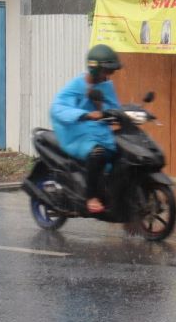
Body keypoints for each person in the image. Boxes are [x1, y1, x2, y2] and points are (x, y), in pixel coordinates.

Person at [50, 44, 122, 214]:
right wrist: (85, 115)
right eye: (107, 71)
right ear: (95, 69)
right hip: (76, 132)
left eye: (111, 71)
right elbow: (58, 108)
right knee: (97, 153)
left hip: (98, 131)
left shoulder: (106, 85)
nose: (110, 75)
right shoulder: (76, 85)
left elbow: (113, 107)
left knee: (123, 151)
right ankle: (91, 197)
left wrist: (117, 114)